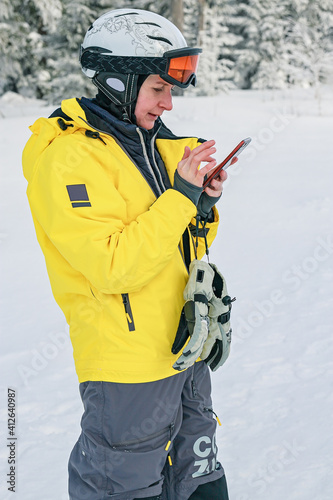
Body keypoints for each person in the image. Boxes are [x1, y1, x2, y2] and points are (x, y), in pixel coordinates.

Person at [22, 8, 231, 500]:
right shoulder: (70, 157)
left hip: (185, 350)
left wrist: (201, 205)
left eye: (171, 91)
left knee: (198, 482)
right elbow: (113, 267)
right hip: (127, 370)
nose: (169, 105)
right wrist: (180, 197)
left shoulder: (154, 147)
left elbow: (176, 249)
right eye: (159, 89)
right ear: (119, 79)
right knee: (122, 488)